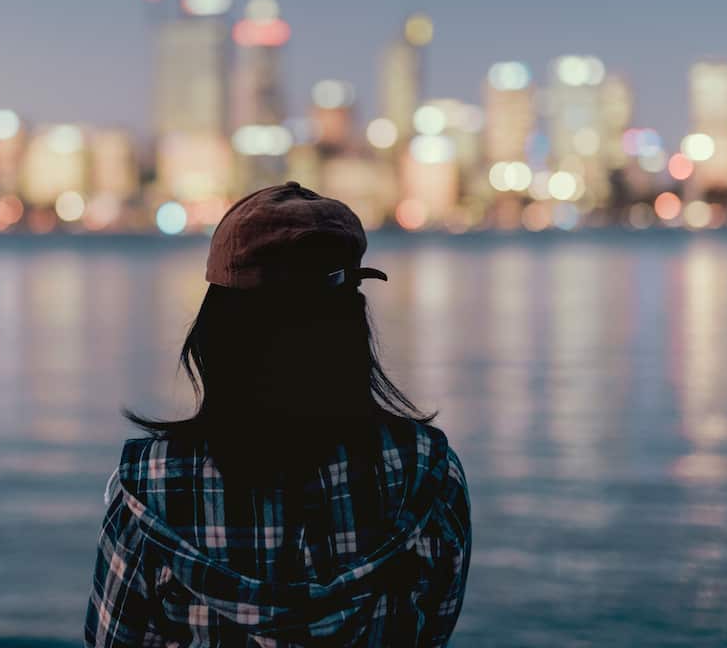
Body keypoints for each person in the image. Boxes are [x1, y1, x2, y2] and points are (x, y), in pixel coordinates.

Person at [85, 182, 471, 646]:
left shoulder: (150, 486)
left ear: (218, 329)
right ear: (351, 322)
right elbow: (433, 629)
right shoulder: (425, 473)